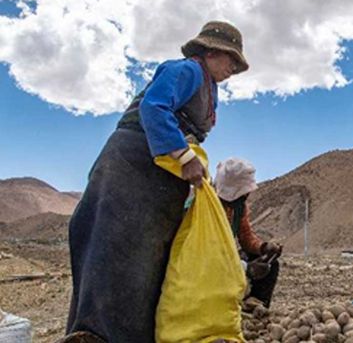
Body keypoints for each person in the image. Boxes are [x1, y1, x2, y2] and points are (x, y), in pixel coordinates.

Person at [62, 21, 249, 343]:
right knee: (116, 251)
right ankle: (96, 334)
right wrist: (183, 156)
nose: (233, 68)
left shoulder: (208, 86)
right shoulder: (186, 70)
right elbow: (154, 107)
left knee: (148, 259)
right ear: (212, 52)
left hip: (159, 172)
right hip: (133, 165)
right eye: (231, 60)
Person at [213, 158, 283, 308]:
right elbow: (209, 255)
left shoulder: (239, 207)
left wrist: (263, 247)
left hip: (227, 257)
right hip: (209, 262)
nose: (247, 195)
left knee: (270, 265)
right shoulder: (209, 207)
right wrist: (246, 268)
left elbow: (245, 236)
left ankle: (256, 309)